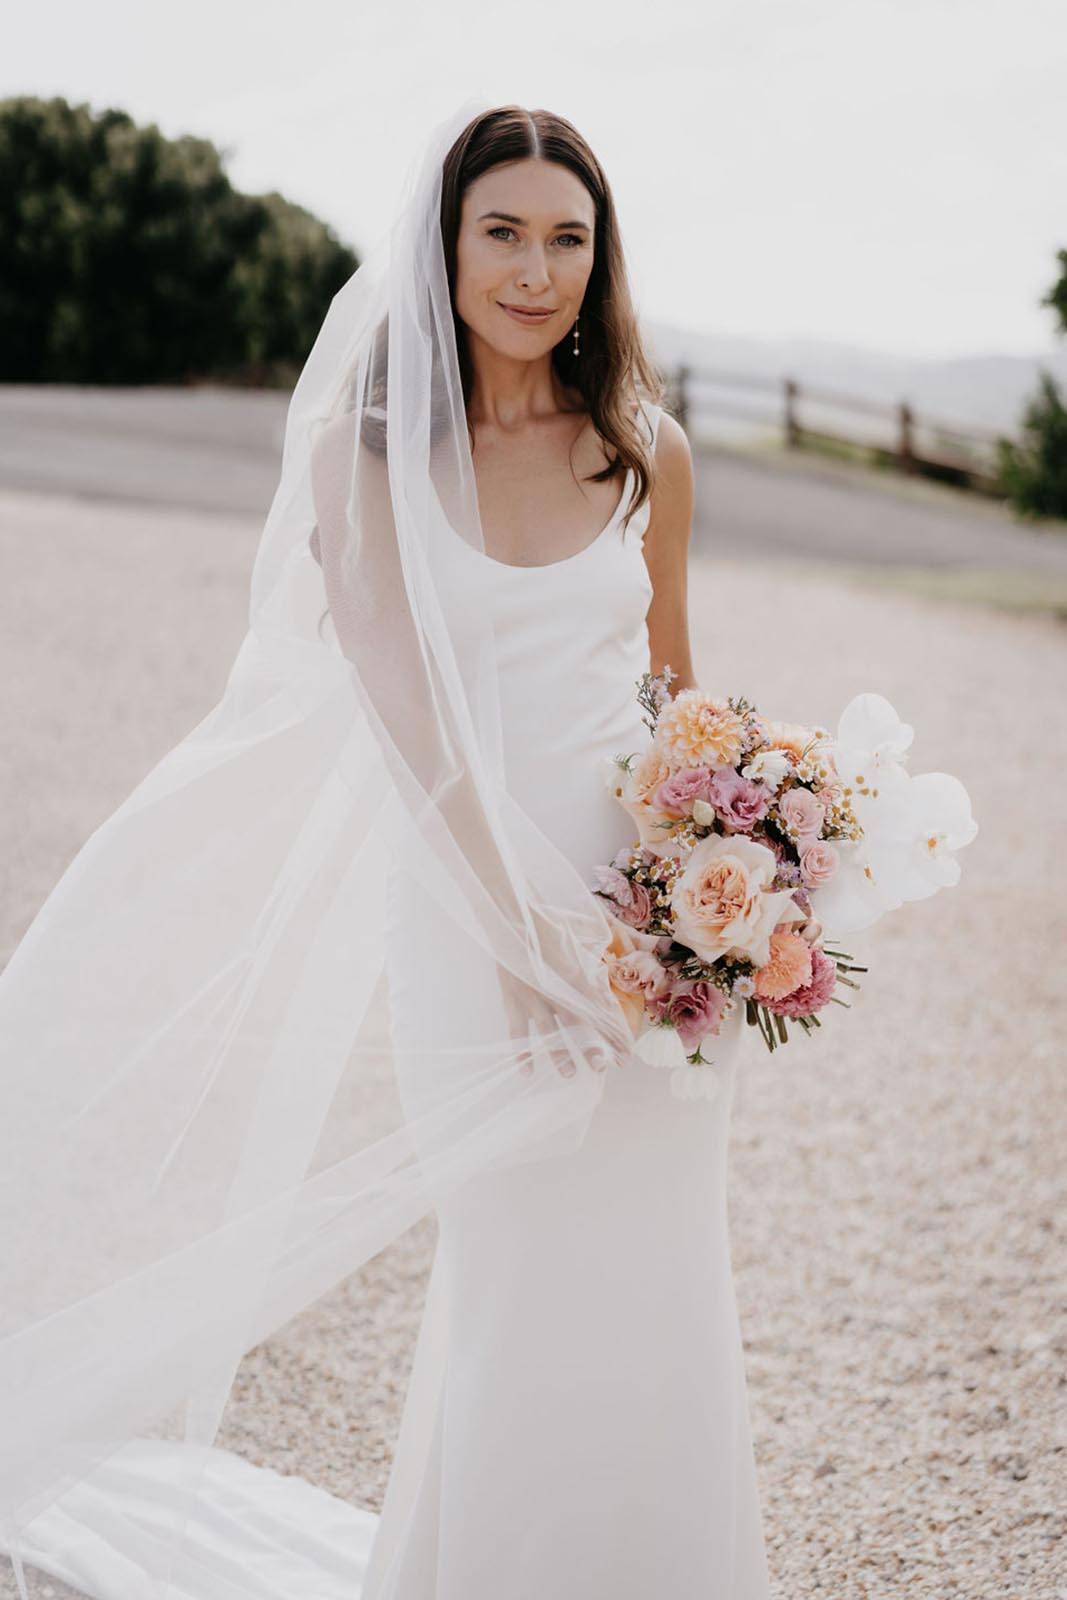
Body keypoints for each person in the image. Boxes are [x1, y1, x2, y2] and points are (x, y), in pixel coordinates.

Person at [0, 99, 771, 1598]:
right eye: (504, 234)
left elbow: (675, 687)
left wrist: (744, 867)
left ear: (599, 258)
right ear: (448, 245)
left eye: (567, 238)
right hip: (474, 915)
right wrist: (528, 944)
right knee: (522, 1265)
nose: (535, 270)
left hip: (649, 930)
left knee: (664, 1266)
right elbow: (415, 738)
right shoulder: (376, 471)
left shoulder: (647, 454)